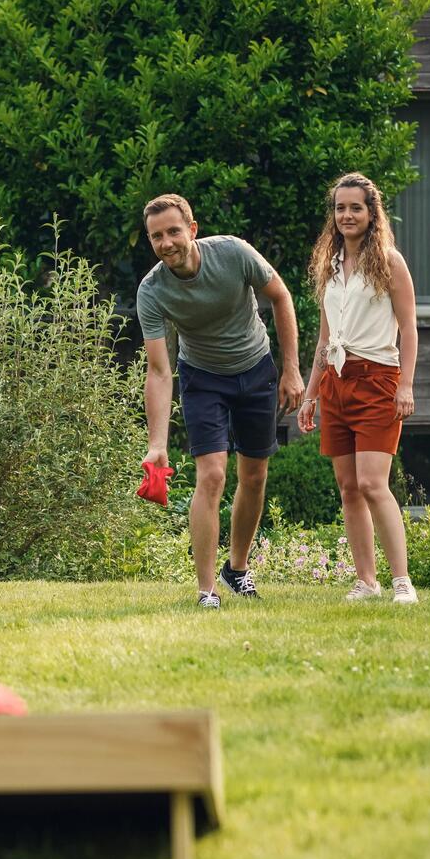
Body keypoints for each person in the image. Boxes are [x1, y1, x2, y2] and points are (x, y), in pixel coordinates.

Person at [138, 194, 305, 607]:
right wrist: (157, 444)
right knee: (211, 475)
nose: (166, 243)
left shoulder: (232, 252)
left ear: (192, 230)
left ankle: (239, 569)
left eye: (173, 231)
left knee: (254, 476)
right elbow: (159, 371)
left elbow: (280, 296)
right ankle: (206, 590)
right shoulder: (152, 290)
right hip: (203, 377)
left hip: (255, 368)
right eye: (156, 236)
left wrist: (291, 369)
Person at [298, 172, 419, 604]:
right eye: (340, 208)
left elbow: (408, 327)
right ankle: (367, 581)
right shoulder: (329, 267)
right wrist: (311, 394)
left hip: (378, 381)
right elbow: (325, 338)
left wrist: (405, 385)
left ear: (372, 213)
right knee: (349, 488)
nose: (346, 215)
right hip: (335, 383)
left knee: (372, 483)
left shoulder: (389, 261)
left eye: (355, 208)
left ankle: (402, 581)